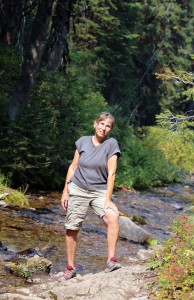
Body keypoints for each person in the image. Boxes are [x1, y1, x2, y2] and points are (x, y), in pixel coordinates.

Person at [60, 112, 121, 279]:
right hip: (78, 188)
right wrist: (65, 191)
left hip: (99, 191)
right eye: (101, 124)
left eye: (108, 125)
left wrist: (108, 200)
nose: (103, 127)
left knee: (113, 217)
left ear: (110, 129)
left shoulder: (111, 144)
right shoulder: (83, 141)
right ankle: (70, 267)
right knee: (72, 227)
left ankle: (111, 260)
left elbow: (112, 174)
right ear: (95, 124)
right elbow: (73, 167)